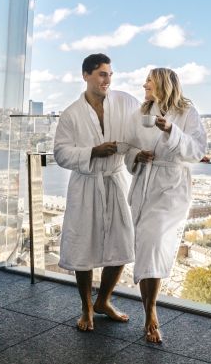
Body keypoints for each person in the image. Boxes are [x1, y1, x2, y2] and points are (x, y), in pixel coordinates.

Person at [54, 53, 140, 331]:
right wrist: (93, 151)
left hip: (114, 181)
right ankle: (86, 308)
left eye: (110, 74)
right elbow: (61, 154)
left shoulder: (126, 102)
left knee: (123, 244)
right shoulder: (71, 114)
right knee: (83, 247)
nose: (108, 80)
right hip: (86, 184)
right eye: (102, 74)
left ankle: (103, 300)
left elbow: (143, 128)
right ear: (86, 75)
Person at [124, 68, 207, 343]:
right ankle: (149, 310)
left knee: (155, 243)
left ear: (162, 83)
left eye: (148, 80)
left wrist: (172, 130)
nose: (143, 84)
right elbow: (129, 149)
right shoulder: (141, 113)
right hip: (146, 183)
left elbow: (196, 150)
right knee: (146, 246)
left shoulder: (188, 113)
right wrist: (138, 156)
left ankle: (151, 311)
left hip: (171, 188)